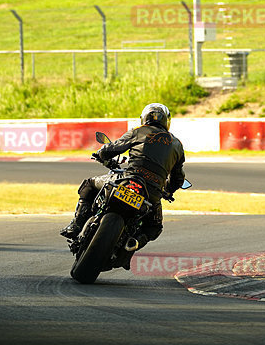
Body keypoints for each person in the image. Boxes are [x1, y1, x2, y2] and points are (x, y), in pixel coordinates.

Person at [60, 103, 185, 257]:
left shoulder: (139, 131)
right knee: (154, 227)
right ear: (167, 121)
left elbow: (113, 148)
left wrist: (102, 155)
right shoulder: (177, 144)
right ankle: (131, 245)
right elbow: (178, 178)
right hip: (152, 192)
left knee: (89, 184)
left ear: (144, 118)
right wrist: (167, 190)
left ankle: (76, 225)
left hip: (129, 179)